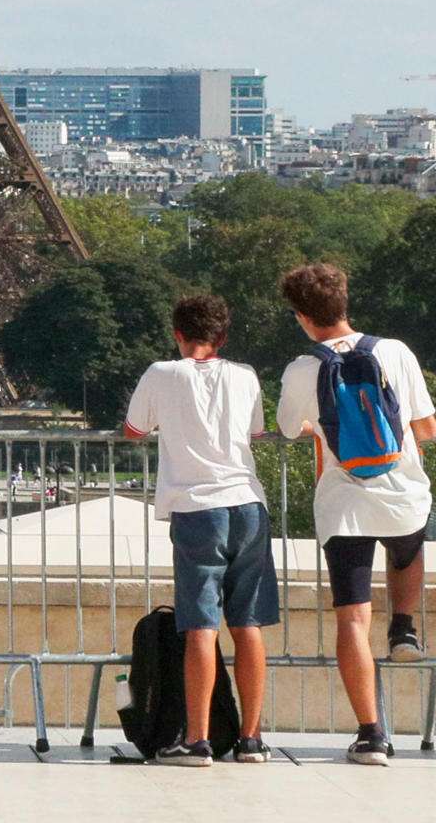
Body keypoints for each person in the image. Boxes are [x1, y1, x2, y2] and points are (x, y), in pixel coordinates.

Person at [275, 262, 436, 767]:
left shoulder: (302, 369)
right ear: (345, 302)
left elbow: (288, 428)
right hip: (402, 493)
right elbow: (427, 427)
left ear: (302, 317)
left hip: (343, 504)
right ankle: (403, 626)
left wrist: (321, 429)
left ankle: (371, 734)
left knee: (351, 617)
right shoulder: (395, 352)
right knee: (407, 549)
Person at [122, 294, 275, 766]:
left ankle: (197, 738)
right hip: (248, 504)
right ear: (222, 336)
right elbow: (254, 432)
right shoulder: (245, 376)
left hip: (197, 508)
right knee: (247, 625)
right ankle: (251, 738)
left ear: (177, 334)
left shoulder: (162, 374)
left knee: (201, 627)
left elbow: (134, 430)